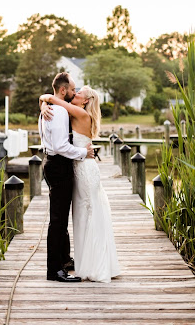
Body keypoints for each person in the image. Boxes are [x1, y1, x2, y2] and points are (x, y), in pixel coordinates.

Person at [40, 85, 121, 283]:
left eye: (78, 93)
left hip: (85, 171)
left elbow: (52, 97)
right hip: (78, 168)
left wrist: (45, 102)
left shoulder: (80, 113)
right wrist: (43, 104)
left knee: (88, 215)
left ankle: (95, 263)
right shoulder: (77, 112)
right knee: (83, 216)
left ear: (85, 101)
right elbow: (48, 98)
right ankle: (83, 261)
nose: (74, 94)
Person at [39, 72, 94, 282]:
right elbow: (61, 146)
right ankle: (54, 271)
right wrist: (83, 153)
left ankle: (64, 260)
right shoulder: (60, 112)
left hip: (51, 164)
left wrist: (43, 102)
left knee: (59, 219)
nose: (74, 92)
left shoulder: (48, 108)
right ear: (63, 90)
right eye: (72, 90)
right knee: (58, 222)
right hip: (59, 166)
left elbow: (45, 98)